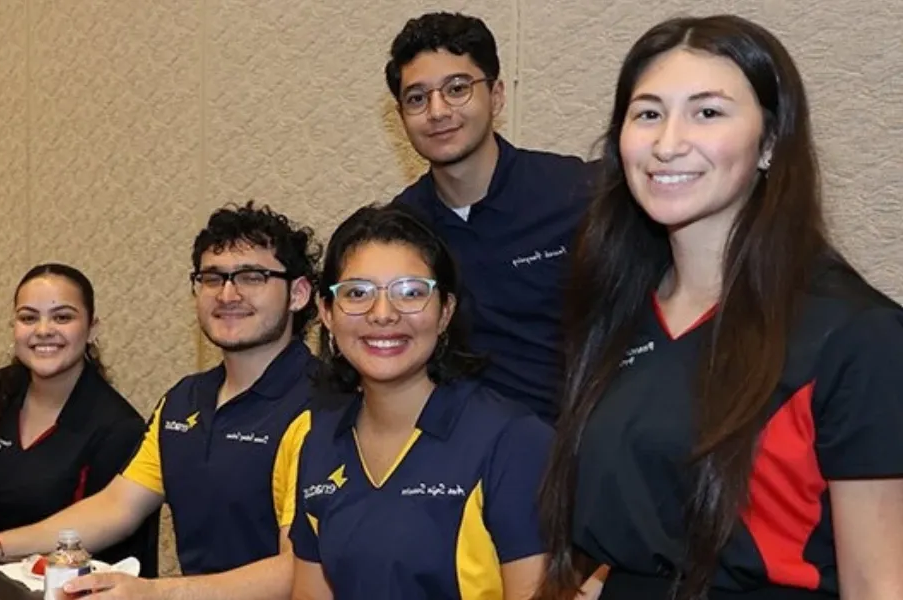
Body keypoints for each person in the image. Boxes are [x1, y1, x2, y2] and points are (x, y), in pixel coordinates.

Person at [535, 16, 903, 600]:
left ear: (771, 142)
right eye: (648, 113)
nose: (668, 142)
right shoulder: (618, 309)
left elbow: (879, 584)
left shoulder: (855, 335)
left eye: (707, 112)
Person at [0, 202, 319, 599]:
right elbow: (117, 506)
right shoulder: (184, 400)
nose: (227, 293)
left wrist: (156, 593)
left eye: (252, 276)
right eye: (212, 277)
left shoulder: (323, 408)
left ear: (298, 293)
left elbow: (302, 569)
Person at [290, 204, 550, 599]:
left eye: (410, 293)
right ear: (326, 313)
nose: (382, 314)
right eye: (357, 293)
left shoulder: (513, 441)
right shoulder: (319, 441)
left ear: (445, 312)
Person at [385, 13, 594, 422]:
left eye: (458, 89)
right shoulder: (402, 230)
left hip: (573, 446)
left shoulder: (576, 192)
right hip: (456, 457)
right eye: (417, 98)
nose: (437, 110)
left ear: (496, 95)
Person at [0, 264, 154, 569]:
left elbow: (106, 539)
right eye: (28, 317)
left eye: (62, 317)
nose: (43, 330)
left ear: (92, 329)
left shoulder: (118, 428)